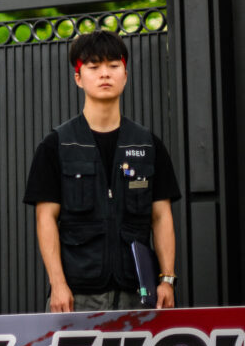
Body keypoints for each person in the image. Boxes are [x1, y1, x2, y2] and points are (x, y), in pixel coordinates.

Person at [24, 30, 180, 312]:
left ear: (126, 74)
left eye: (113, 66)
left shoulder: (147, 144)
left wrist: (166, 279)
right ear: (78, 78)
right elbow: (45, 218)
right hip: (77, 296)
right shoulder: (56, 144)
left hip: (138, 292)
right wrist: (58, 284)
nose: (104, 74)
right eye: (94, 67)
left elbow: (161, 216)